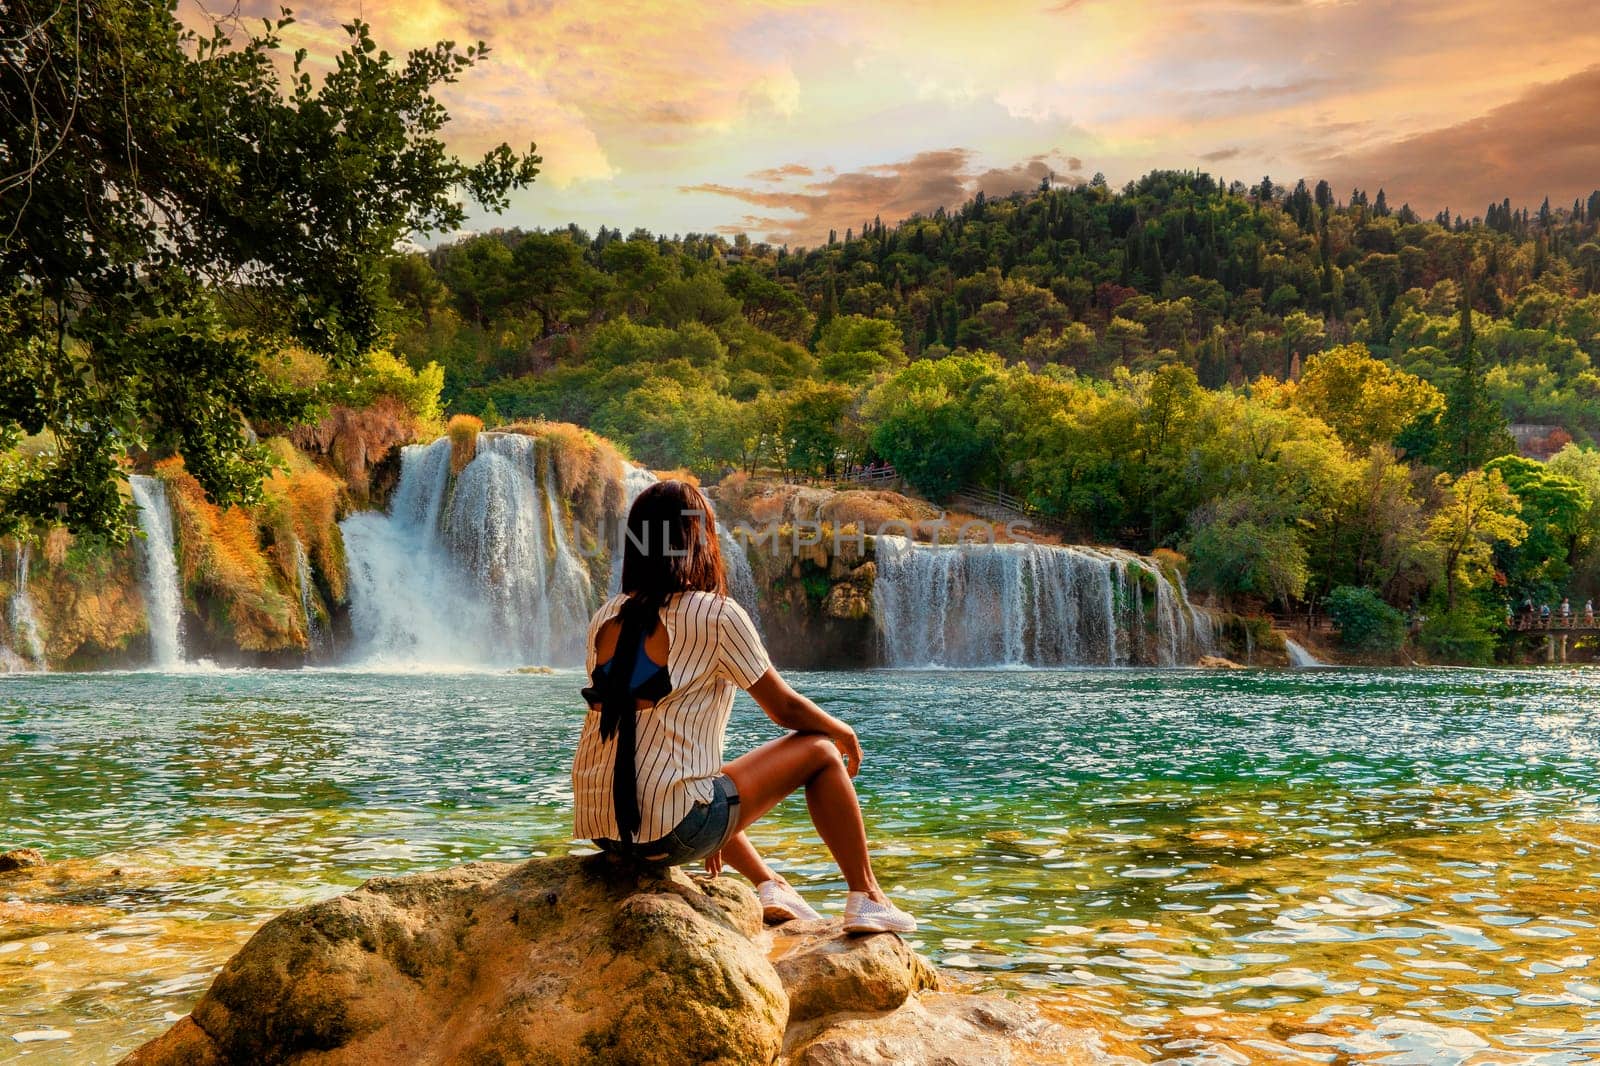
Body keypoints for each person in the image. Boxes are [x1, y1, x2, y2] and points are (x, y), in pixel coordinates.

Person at [572, 479, 915, 934]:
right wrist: (843, 730)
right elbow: (786, 709)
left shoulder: (606, 614)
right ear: (698, 538)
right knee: (819, 750)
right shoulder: (715, 614)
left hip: (605, 829)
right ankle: (867, 896)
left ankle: (770, 884)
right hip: (670, 832)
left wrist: (717, 809)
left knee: (708, 777)